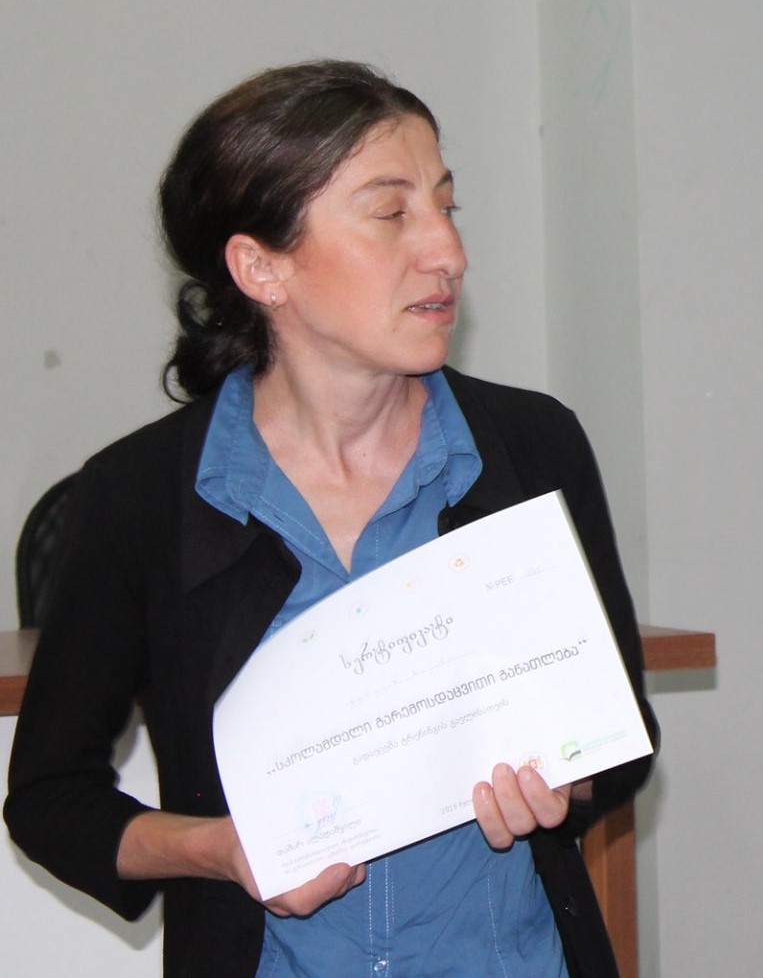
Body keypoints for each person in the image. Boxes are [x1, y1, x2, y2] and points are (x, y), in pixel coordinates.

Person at [5, 62, 657, 978]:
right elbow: (50, 797)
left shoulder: (530, 445)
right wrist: (220, 849)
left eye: (447, 206)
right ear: (260, 267)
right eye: (391, 213)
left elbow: (624, 736)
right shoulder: (138, 494)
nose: (447, 251)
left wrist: (571, 778)